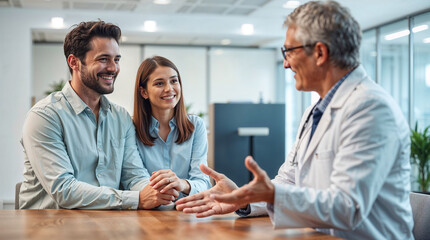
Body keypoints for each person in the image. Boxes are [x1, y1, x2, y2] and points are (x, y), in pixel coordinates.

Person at [176, 1, 414, 239]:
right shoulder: (314, 112)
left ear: (320, 53)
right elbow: (288, 182)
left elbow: (347, 206)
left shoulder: (370, 108)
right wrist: (244, 198)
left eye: (289, 51)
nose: (286, 63)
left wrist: (270, 194)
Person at [19, 21, 178, 209]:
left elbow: (133, 175)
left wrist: (157, 192)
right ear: (74, 62)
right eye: (103, 59)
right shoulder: (45, 117)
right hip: (50, 226)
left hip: (106, 224)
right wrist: (137, 199)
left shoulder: (120, 117)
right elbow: (64, 190)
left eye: (116, 59)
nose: (113, 68)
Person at [133, 56, 211, 204]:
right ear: (144, 92)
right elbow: (134, 178)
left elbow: (203, 182)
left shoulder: (195, 126)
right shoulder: (132, 128)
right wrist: (159, 192)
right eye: (159, 83)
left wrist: (182, 184)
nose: (169, 89)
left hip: (188, 214)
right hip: (149, 213)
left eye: (174, 81)